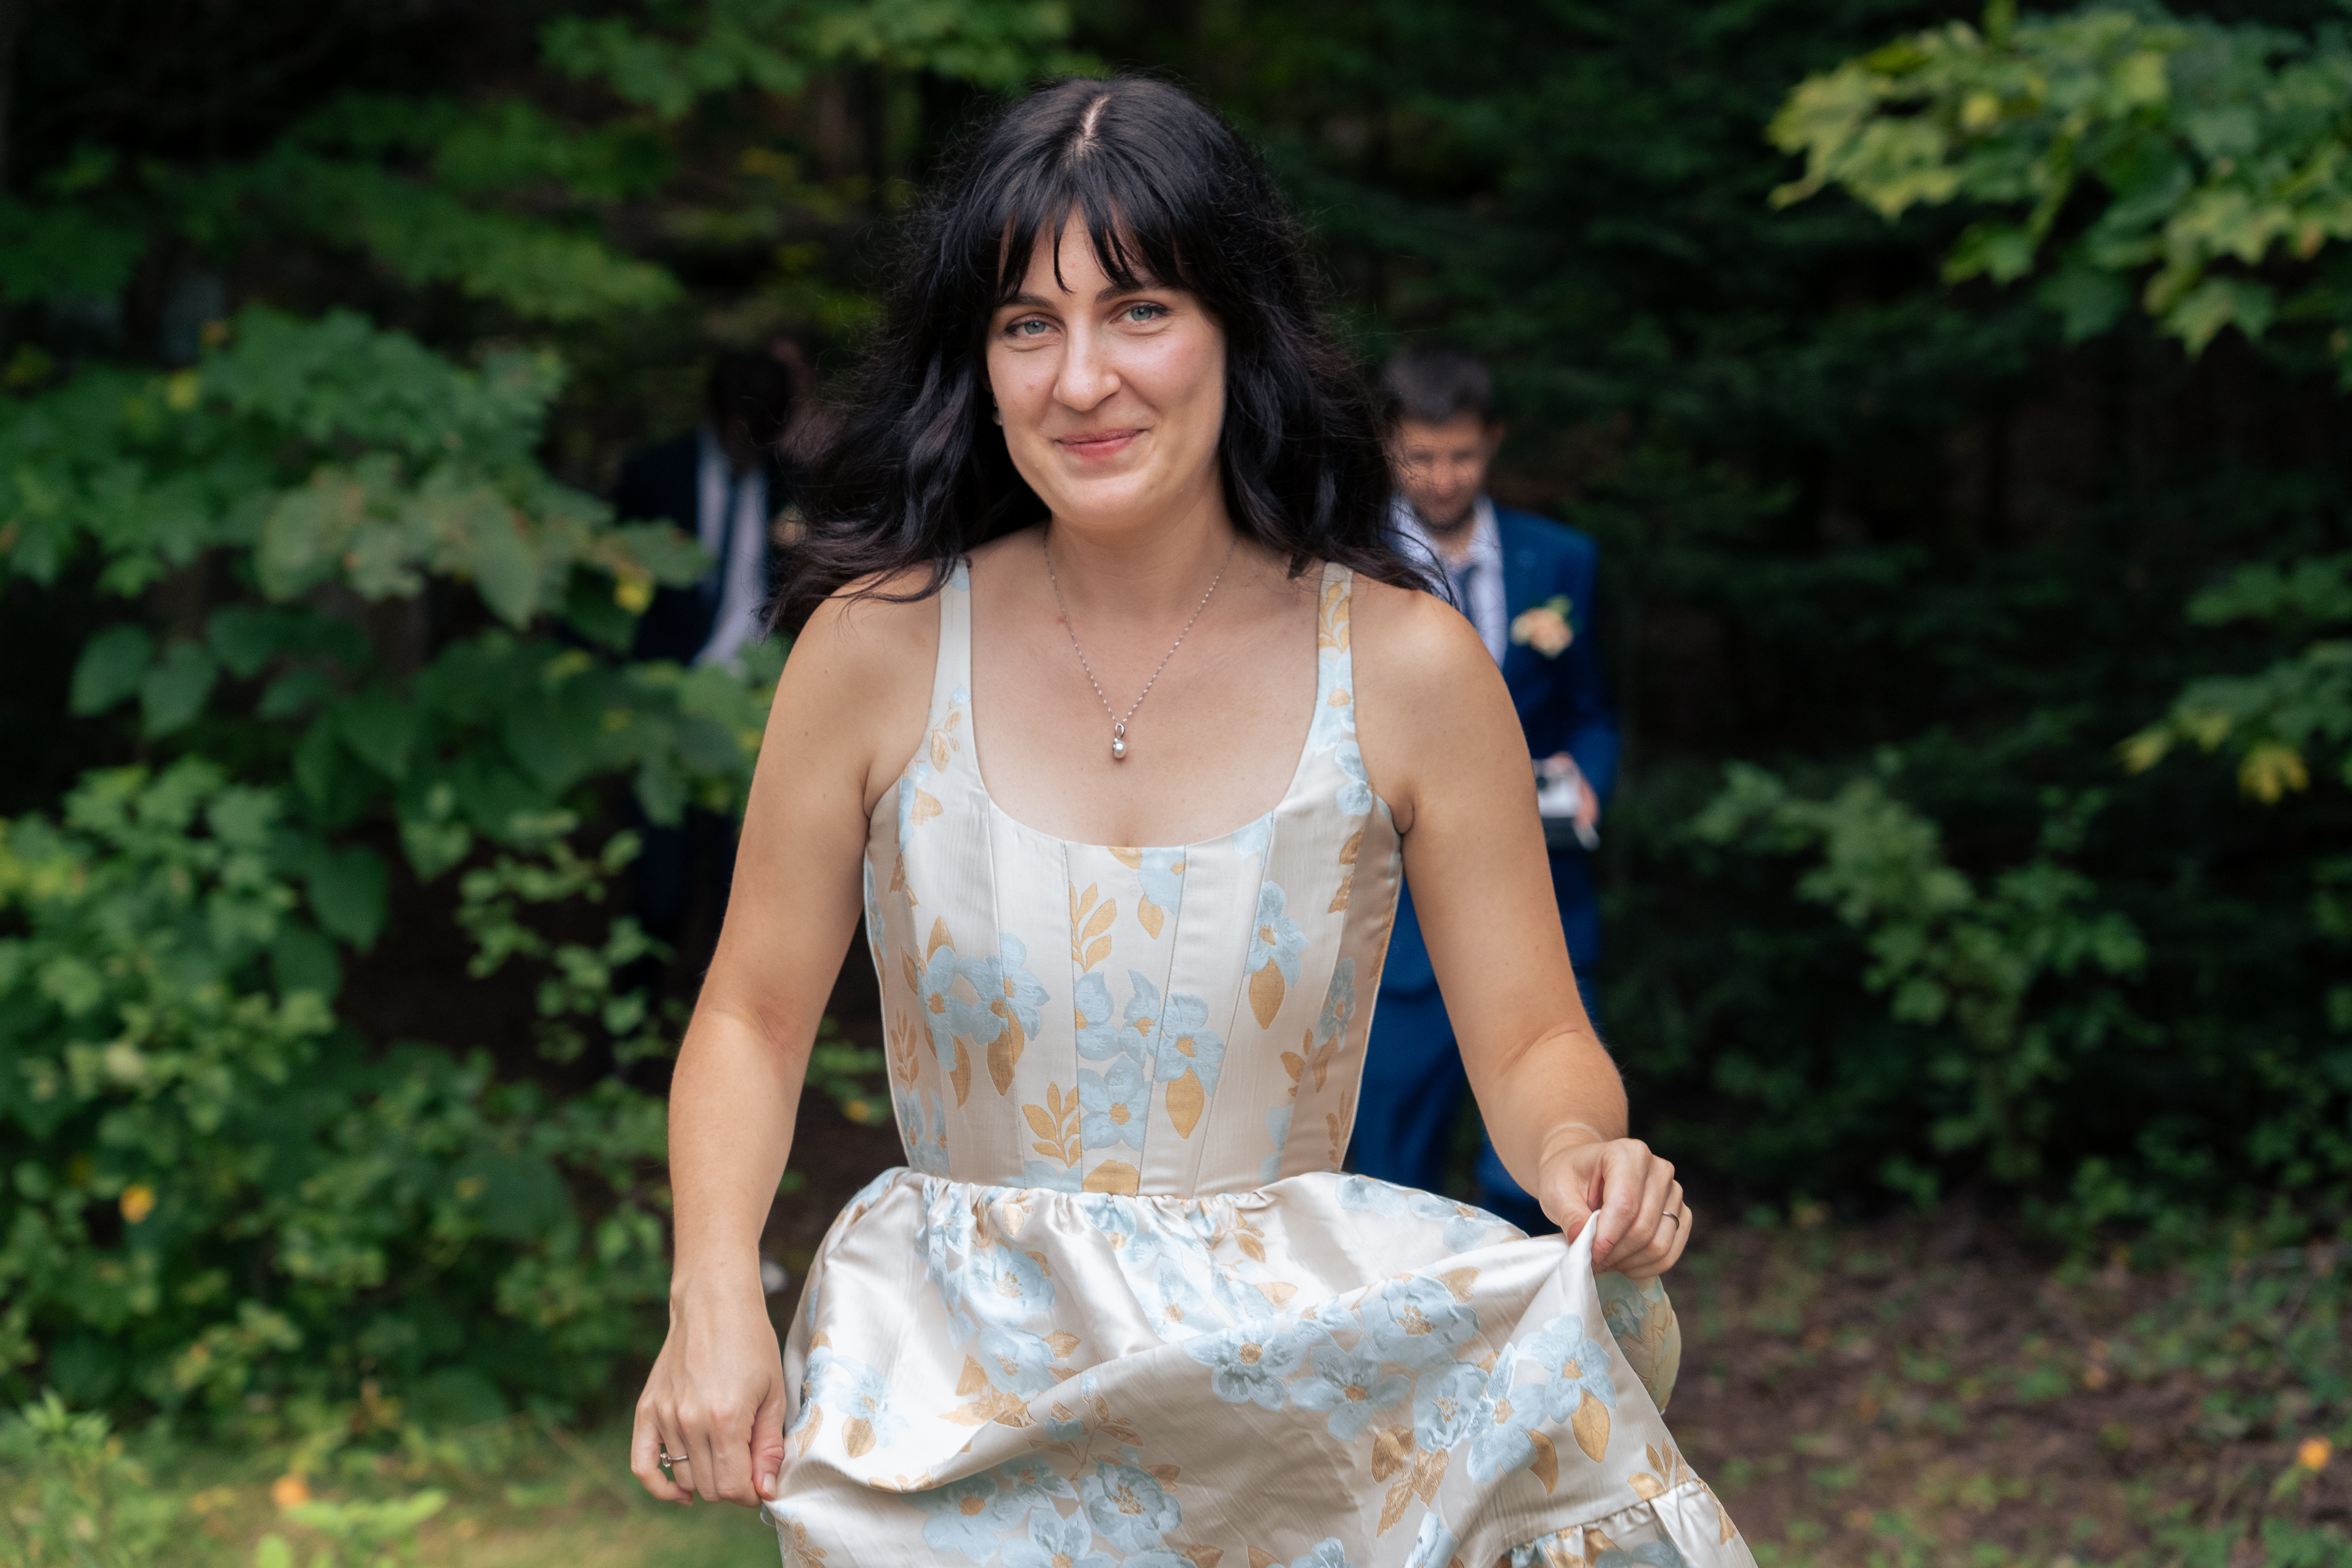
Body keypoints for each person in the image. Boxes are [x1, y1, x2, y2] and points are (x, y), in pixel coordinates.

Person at [630, 78, 1744, 1568]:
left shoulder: (1404, 664)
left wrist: (1580, 1151)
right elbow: (754, 1019)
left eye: (1138, 308)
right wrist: (712, 1289)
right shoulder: (874, 649)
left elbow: (1539, 1042)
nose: (1081, 376)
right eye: (1030, 323)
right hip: (945, 1415)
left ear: (1238, 325)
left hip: (1290, 1423)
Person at [1351, 348, 1621, 1236]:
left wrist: (1588, 776)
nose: (1440, 477)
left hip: (1544, 892)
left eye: (1461, 456)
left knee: (1550, 1173)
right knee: (1391, 1179)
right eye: (1420, 458)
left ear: (1493, 444)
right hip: (1399, 932)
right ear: (1389, 447)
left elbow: (1595, 712)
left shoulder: (1564, 561)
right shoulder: (1349, 565)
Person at [612, 351, 802, 985]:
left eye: (764, 436)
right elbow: (610, 597)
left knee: (740, 891)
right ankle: (630, 1027)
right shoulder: (652, 478)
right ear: (713, 418)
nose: (750, 451)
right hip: (666, 700)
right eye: (740, 435)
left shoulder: (797, 485)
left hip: (758, 707)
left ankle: (716, 1022)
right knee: (658, 888)